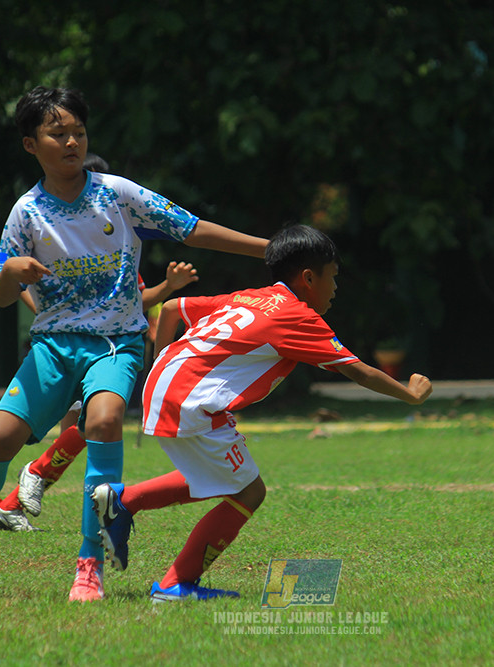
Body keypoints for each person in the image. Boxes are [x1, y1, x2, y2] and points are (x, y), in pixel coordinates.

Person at [0, 85, 267, 602]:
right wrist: (10, 275)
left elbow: (190, 229)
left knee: (103, 420)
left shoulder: (117, 193)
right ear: (30, 145)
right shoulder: (26, 214)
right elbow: (0, 297)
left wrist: (271, 248)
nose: (71, 142)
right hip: (53, 347)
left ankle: (89, 563)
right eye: (56, 134)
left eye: (78, 133)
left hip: (116, 343)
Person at [91, 224, 433, 602]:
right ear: (307, 278)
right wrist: (410, 394)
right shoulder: (297, 315)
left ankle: (125, 501)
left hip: (167, 386)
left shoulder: (252, 297)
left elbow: (172, 308)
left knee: (220, 476)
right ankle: (175, 583)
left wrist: (160, 371)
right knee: (249, 492)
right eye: (332, 278)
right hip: (190, 400)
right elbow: (357, 370)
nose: (335, 289)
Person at [0, 259, 199, 532]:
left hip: (105, 353)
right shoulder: (60, 238)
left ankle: (13, 502)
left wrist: (167, 286)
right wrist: (54, 319)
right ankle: (31, 479)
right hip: (65, 351)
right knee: (83, 429)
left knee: (90, 429)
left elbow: (134, 302)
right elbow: (17, 284)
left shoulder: (120, 246)